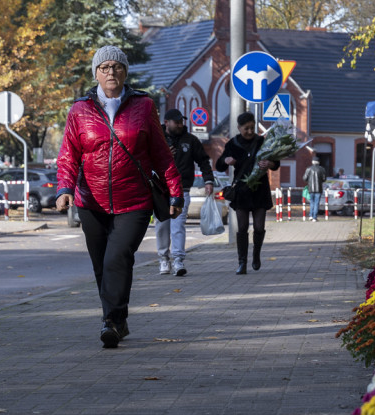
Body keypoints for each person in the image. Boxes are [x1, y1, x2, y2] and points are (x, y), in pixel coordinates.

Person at [55, 45, 183, 348]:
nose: (110, 72)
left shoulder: (143, 106)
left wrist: (175, 192)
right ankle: (117, 318)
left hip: (134, 200)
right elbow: (68, 155)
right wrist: (64, 189)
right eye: (104, 67)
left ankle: (110, 321)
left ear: (125, 72)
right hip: (91, 201)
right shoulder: (79, 110)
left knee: (117, 258)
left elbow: (161, 154)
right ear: (96, 73)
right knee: (102, 265)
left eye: (116, 66)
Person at [215, 112, 279, 274]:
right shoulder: (233, 144)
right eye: (246, 128)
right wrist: (226, 160)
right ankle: (242, 262)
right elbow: (219, 165)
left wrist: (269, 163)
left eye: (252, 128)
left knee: (259, 227)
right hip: (241, 191)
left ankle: (256, 255)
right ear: (239, 128)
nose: (250, 131)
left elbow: (276, 163)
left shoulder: (261, 142)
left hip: (260, 190)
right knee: (242, 227)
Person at [155, 109, 214, 276]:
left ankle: (178, 260)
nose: (181, 124)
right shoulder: (157, 139)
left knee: (178, 225)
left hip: (182, 190)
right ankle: (163, 259)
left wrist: (208, 180)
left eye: (181, 121)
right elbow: (146, 159)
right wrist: (163, 154)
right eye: (177, 122)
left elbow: (203, 160)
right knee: (162, 226)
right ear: (167, 122)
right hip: (160, 190)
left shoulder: (191, 140)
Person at [301, 154, 326, 222]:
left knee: (311, 202)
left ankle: (310, 216)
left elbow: (304, 178)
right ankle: (314, 217)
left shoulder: (308, 169)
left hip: (310, 189)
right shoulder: (322, 169)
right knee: (316, 203)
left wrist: (309, 181)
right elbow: (324, 179)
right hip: (319, 189)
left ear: (312, 162)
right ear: (318, 162)